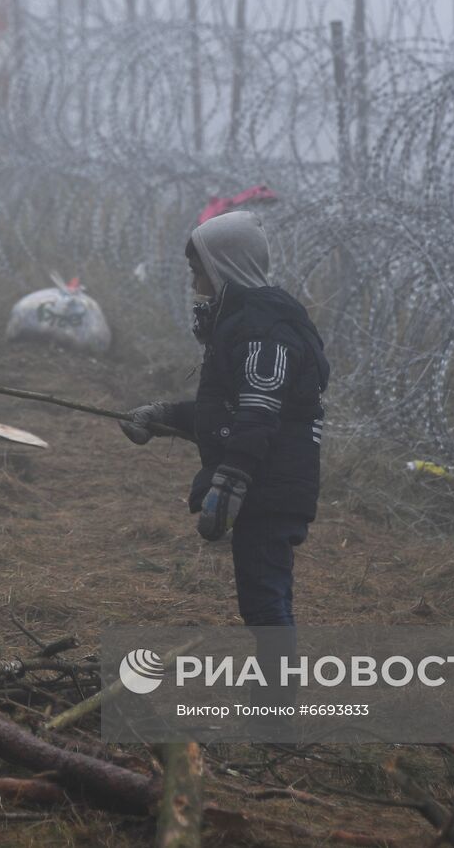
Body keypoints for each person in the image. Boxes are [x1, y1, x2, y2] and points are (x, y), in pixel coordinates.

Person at [120, 211, 329, 737]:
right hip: (267, 478)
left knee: (266, 600)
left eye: (200, 272)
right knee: (262, 596)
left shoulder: (264, 329)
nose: (195, 284)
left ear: (226, 265)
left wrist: (231, 479)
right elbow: (230, 413)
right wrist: (165, 414)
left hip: (269, 484)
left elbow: (258, 413)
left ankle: (274, 721)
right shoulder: (243, 320)